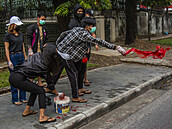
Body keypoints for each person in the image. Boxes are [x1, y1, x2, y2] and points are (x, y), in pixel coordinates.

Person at [56, 17, 126, 103]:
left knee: (80, 69)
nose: (93, 28)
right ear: (87, 27)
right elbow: (99, 41)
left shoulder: (77, 29)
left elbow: (64, 34)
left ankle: (80, 88)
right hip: (65, 55)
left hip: (71, 53)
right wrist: (116, 47)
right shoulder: (84, 34)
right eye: (92, 26)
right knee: (73, 73)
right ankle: (75, 96)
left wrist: (58, 43)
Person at [9, 43, 59, 123]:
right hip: (18, 78)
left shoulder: (38, 55)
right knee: (41, 91)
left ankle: (27, 111)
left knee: (35, 89)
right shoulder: (44, 66)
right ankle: (42, 116)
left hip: (14, 76)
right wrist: (55, 91)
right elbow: (49, 81)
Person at [4, 16, 27, 105]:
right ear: (13, 25)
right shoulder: (8, 35)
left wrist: (25, 57)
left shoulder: (20, 34)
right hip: (13, 56)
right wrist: (9, 60)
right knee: (14, 77)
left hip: (21, 55)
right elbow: (7, 49)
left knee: (23, 76)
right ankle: (15, 98)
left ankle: (23, 97)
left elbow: (23, 46)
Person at [27, 11, 48, 87]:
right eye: (42, 19)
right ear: (38, 18)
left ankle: (39, 81)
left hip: (41, 50)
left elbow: (46, 39)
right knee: (33, 66)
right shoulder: (32, 28)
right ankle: (31, 81)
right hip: (34, 50)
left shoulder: (44, 28)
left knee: (40, 66)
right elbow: (29, 38)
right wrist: (30, 48)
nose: (43, 21)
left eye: (45, 19)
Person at [82, 9, 99, 86]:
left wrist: (96, 44)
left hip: (88, 46)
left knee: (85, 62)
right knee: (83, 62)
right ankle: (83, 79)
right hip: (83, 47)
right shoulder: (83, 25)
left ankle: (84, 78)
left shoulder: (91, 25)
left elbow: (93, 34)